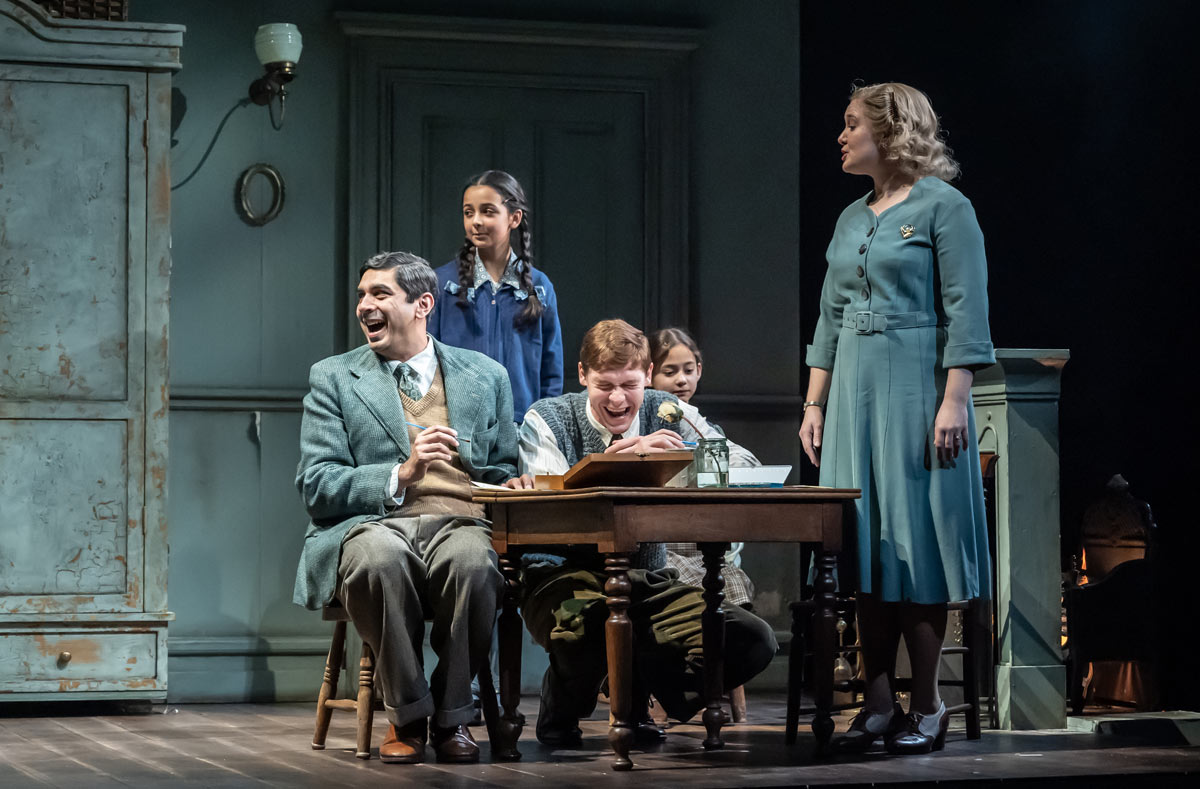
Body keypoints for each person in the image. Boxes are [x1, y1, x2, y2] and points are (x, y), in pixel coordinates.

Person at [799, 83, 994, 755]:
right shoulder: (851, 217)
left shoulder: (946, 207)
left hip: (916, 380)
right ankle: (877, 700)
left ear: (891, 131)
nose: (842, 135)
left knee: (917, 539)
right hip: (852, 383)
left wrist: (955, 396)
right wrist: (814, 401)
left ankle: (928, 702)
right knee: (866, 540)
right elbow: (828, 314)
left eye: (852, 124)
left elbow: (966, 307)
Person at [293, 252, 534, 765]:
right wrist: (400, 474)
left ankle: (452, 716)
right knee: (377, 561)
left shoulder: (485, 375)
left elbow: (501, 470)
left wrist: (515, 481)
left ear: (423, 303)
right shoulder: (333, 378)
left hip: (461, 518)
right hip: (375, 522)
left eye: (380, 294)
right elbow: (316, 484)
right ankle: (406, 714)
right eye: (362, 295)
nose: (365, 306)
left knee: (474, 564)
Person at [518, 319, 778, 746]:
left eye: (630, 384)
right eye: (605, 385)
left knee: (752, 640)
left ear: (647, 373)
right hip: (563, 576)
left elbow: (746, 467)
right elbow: (554, 509)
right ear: (583, 375)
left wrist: (688, 459)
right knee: (592, 624)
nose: (619, 399)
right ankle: (565, 705)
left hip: (648, 580)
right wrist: (617, 464)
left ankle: (642, 690)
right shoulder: (548, 419)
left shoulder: (667, 409)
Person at [429, 170, 564, 420]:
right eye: (468, 213)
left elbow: (551, 373)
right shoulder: (441, 284)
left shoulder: (540, 286)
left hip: (523, 427)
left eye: (488, 211)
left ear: (514, 218)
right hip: (457, 429)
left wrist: (545, 425)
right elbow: (427, 363)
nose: (476, 221)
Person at [648, 327, 758, 608]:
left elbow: (746, 461)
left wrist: (706, 460)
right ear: (649, 374)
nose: (681, 380)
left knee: (728, 582)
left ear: (699, 370)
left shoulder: (698, 424)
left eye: (688, 370)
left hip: (701, 537)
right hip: (660, 540)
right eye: (670, 372)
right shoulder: (644, 417)